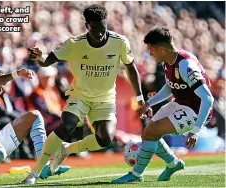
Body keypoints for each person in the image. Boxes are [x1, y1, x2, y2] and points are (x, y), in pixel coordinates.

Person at [23, 4, 149, 184]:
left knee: (105, 139)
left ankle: (66, 150)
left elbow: (131, 68)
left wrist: (140, 98)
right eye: (95, 30)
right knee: (68, 125)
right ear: (87, 25)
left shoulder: (119, 41)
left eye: (103, 29)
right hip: (79, 96)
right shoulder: (74, 44)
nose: (100, 34)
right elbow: (47, 61)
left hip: (104, 99)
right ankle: (34, 173)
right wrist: (39, 58)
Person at [111, 27, 214, 183]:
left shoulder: (186, 65)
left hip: (197, 110)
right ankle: (173, 164)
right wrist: (148, 103)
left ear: (161, 48)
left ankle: (136, 175)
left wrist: (195, 130)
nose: (150, 54)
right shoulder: (167, 60)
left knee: (153, 132)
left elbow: (208, 99)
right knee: (148, 133)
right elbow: (170, 86)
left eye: (151, 50)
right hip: (181, 103)